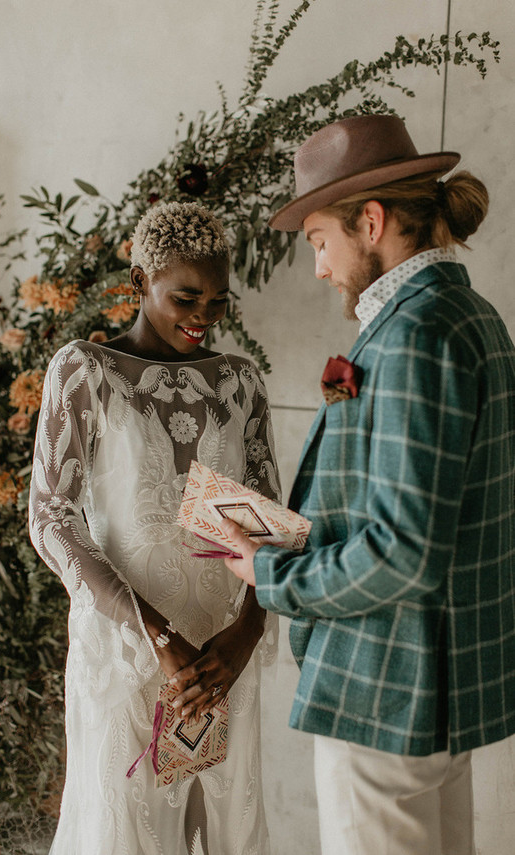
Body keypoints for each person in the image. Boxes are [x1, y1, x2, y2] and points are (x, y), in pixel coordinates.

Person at [222, 114, 515, 855]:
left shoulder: (417, 335)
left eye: (321, 241)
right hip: (428, 689)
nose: (319, 267)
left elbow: (404, 550)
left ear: (372, 222)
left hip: (383, 686)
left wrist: (268, 572)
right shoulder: (459, 317)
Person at [29, 201, 281, 855]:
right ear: (139, 282)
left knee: (225, 829)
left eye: (218, 301)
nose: (204, 316)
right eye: (186, 298)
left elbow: (264, 524)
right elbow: (51, 517)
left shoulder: (240, 383)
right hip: (128, 652)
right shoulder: (85, 371)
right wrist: (157, 636)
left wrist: (246, 633)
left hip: (221, 659)